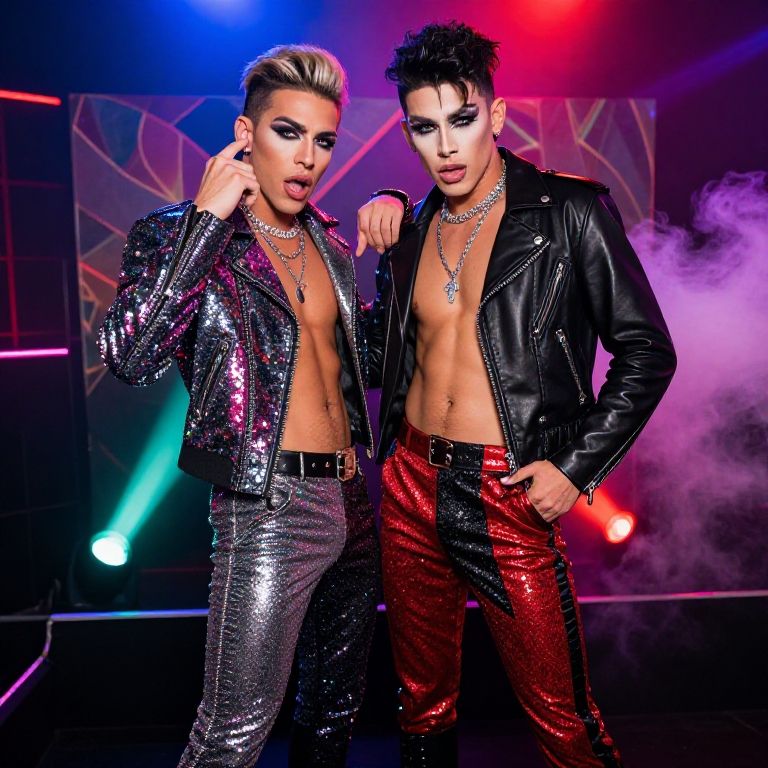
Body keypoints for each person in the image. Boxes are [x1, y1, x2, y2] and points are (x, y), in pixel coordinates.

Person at [357, 22, 676, 768]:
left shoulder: (570, 213)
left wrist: (576, 467)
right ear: (408, 133)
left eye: (462, 120)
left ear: (496, 116)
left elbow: (647, 352)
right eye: (425, 128)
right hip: (409, 483)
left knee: (563, 720)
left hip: (505, 489)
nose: (447, 146)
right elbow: (376, 364)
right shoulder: (409, 231)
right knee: (420, 705)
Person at [99, 45, 378, 768]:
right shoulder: (176, 233)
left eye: (323, 140)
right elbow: (130, 356)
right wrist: (205, 222)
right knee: (231, 734)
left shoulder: (330, 242)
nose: (308, 158)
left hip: (354, 500)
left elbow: (362, 364)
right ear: (245, 133)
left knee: (332, 718)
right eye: (288, 132)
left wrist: (403, 216)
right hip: (271, 506)